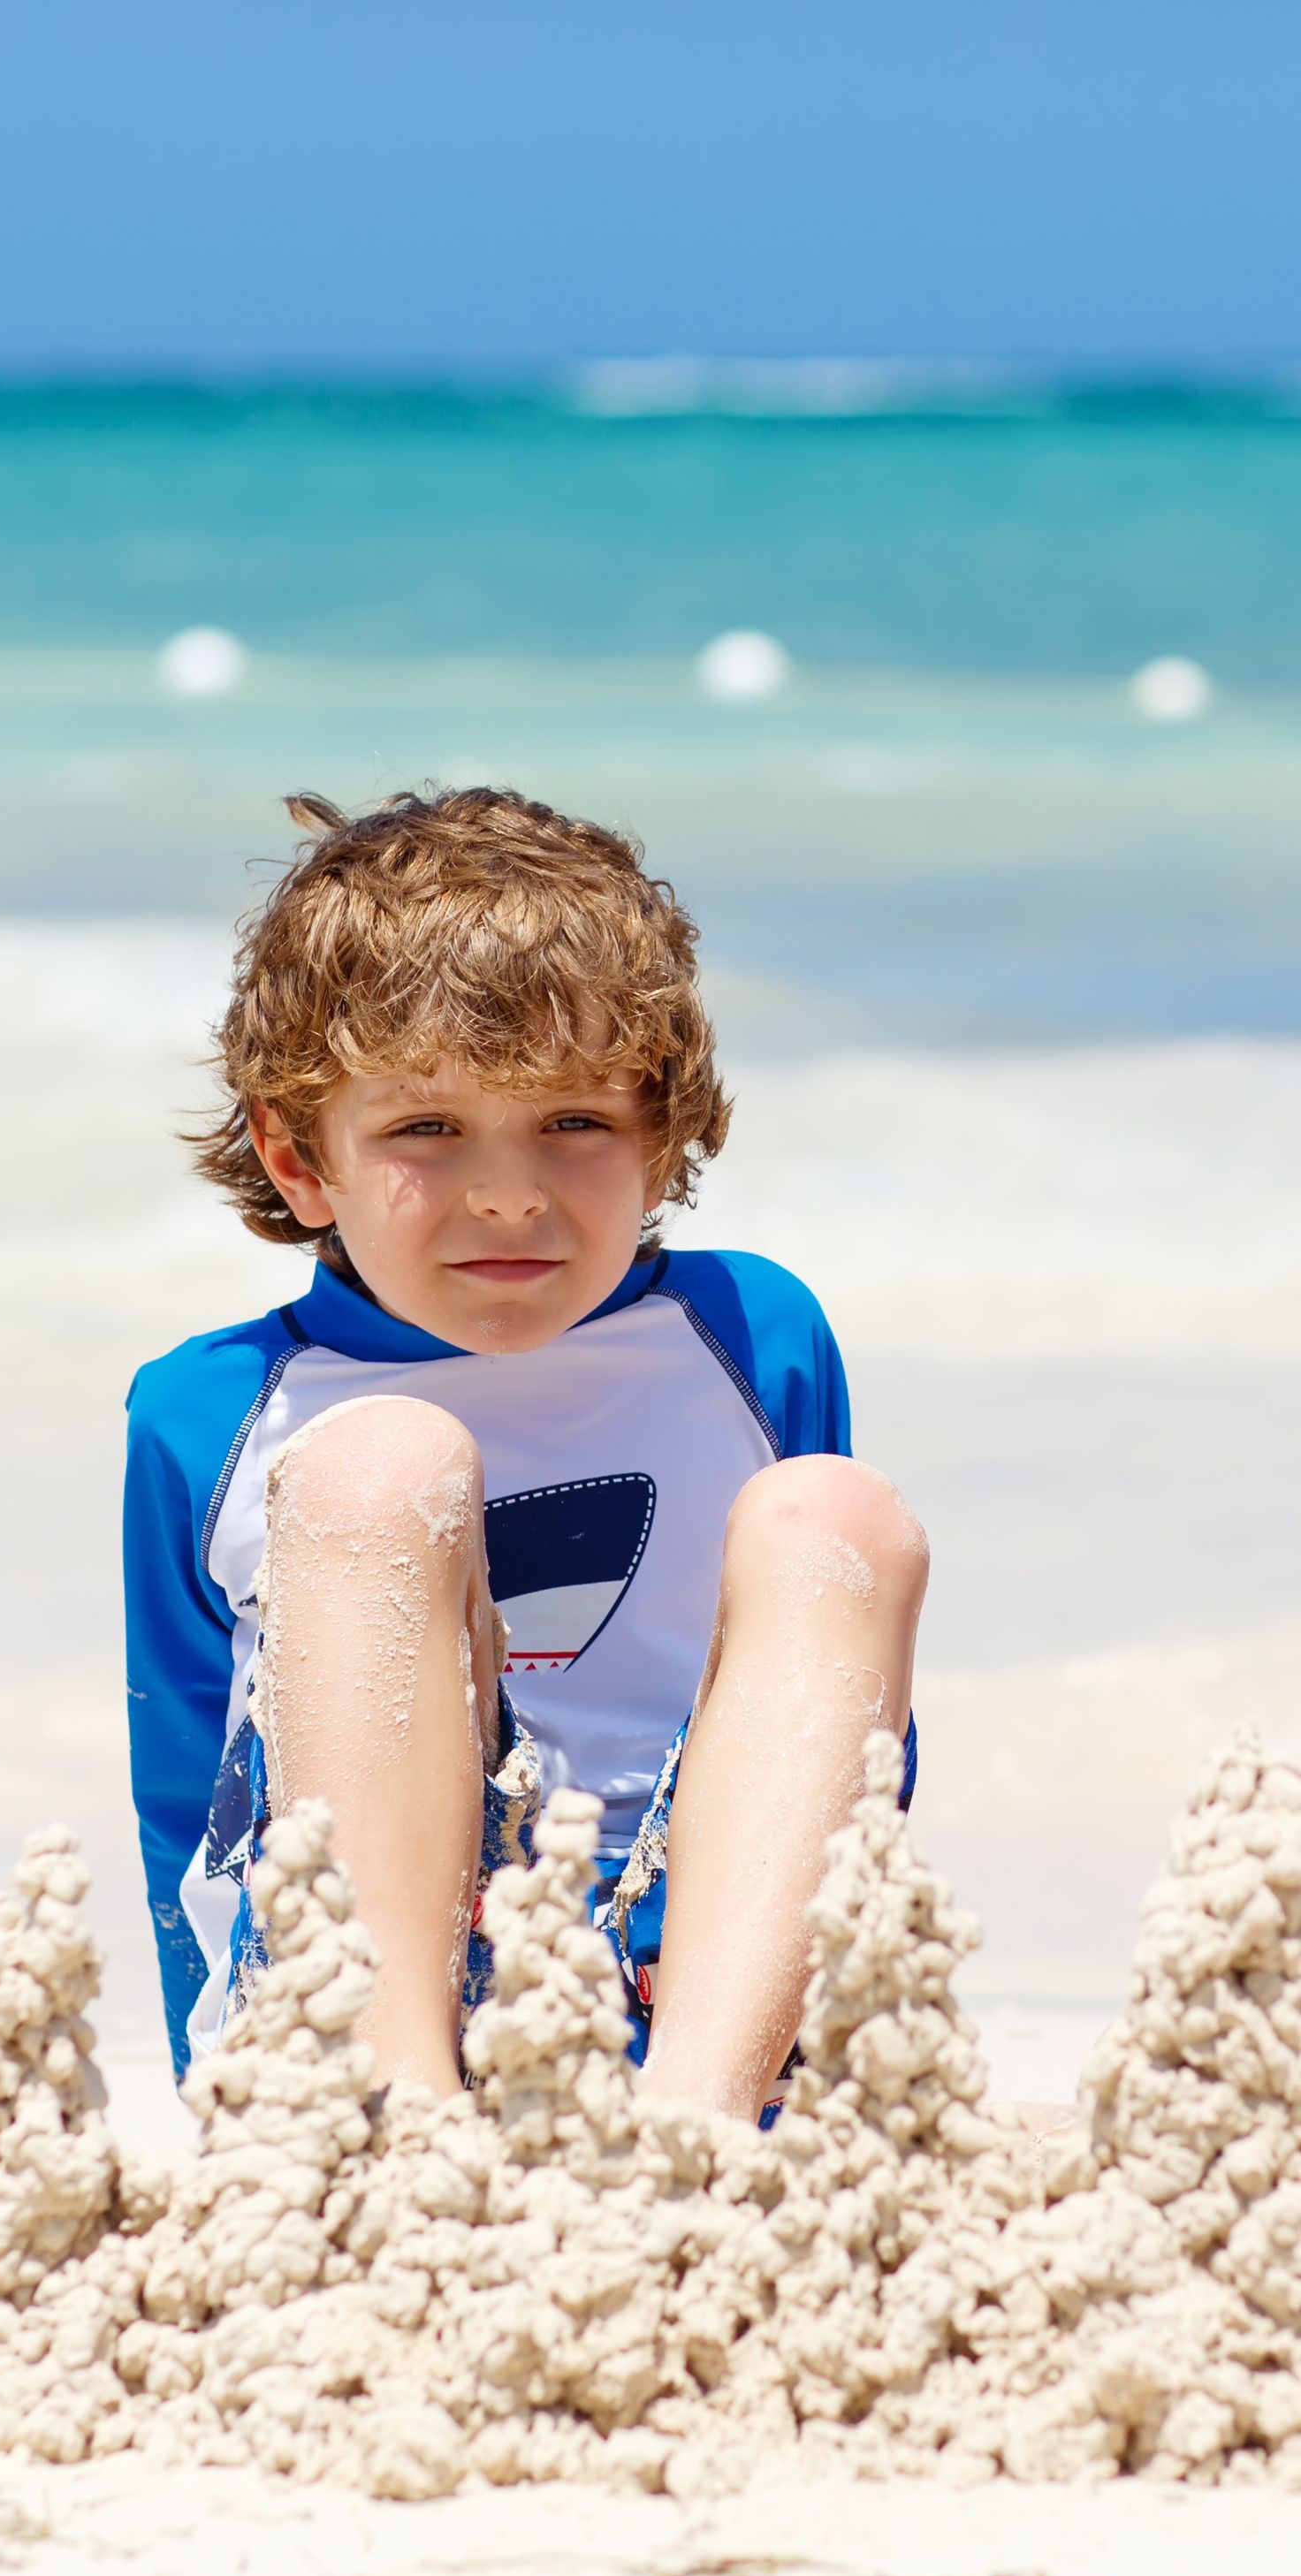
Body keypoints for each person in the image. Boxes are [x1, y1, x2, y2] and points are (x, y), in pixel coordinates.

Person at [121, 786, 927, 2117]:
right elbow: (188, 1795)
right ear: (299, 1157)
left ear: (660, 1138)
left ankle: (700, 2137)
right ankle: (403, 2128)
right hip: (367, 2001)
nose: (508, 1190)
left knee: (833, 1514)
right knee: (381, 1468)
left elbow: (834, 1706)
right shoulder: (213, 1412)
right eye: (426, 1130)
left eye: (574, 1121)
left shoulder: (747, 1336)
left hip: (689, 2001)